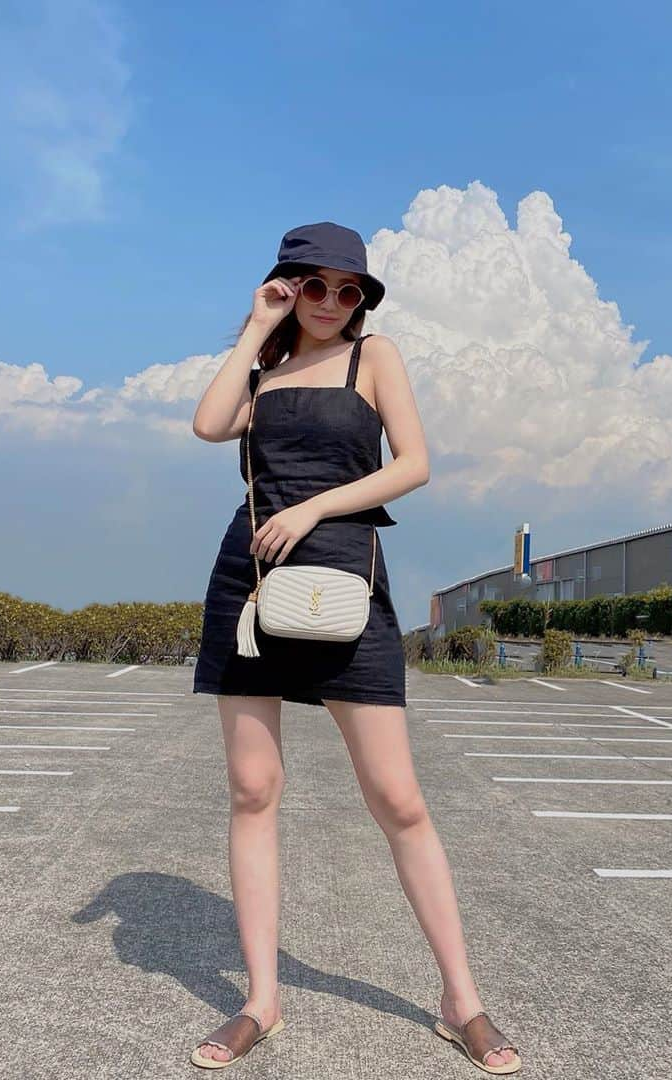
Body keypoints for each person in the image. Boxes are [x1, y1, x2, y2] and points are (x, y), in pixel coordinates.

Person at [188, 223, 522, 1073]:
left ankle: (461, 1002)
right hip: (252, 584)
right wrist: (255, 328)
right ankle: (261, 999)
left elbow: (412, 464)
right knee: (253, 788)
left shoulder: (376, 358)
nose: (334, 303)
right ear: (285, 285)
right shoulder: (262, 364)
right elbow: (208, 424)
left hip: (346, 581)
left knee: (399, 797)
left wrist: (313, 509)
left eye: (350, 290)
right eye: (315, 286)